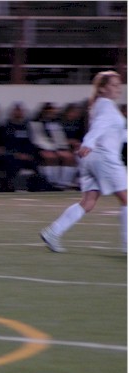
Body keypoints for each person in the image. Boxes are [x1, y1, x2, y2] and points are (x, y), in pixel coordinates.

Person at [41, 70, 127, 253]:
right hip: (105, 158)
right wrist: (88, 142)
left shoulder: (100, 105)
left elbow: (114, 133)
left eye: (119, 84)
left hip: (92, 159)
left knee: (88, 202)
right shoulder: (106, 106)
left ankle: (53, 232)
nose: (118, 88)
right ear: (102, 88)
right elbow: (99, 126)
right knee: (126, 199)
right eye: (113, 85)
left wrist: (90, 144)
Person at [29, 102, 77, 188]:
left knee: (69, 157)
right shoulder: (35, 123)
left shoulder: (55, 123)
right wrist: (51, 149)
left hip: (55, 148)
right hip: (40, 148)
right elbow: (38, 138)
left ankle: (64, 182)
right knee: (51, 157)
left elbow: (59, 137)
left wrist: (62, 148)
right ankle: (51, 182)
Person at [3, 102, 38, 176]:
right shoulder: (6, 126)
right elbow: (6, 144)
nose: (19, 113)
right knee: (12, 162)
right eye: (17, 110)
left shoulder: (27, 126)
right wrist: (17, 154)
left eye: (21, 111)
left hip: (26, 154)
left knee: (36, 162)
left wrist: (28, 154)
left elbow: (30, 142)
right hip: (13, 155)